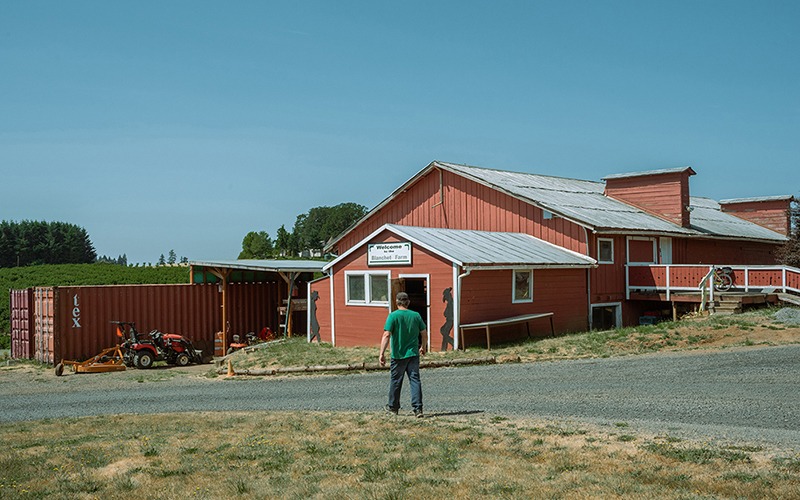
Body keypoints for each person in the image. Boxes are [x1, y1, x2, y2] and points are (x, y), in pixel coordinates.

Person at [379, 291, 427, 418]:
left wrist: (381, 353)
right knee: (415, 380)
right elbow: (424, 332)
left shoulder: (393, 316)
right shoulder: (416, 315)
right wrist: (423, 346)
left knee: (396, 380)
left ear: (396, 302)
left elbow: (386, 334)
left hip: (398, 355)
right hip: (413, 353)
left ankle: (393, 408)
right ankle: (418, 409)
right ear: (408, 302)